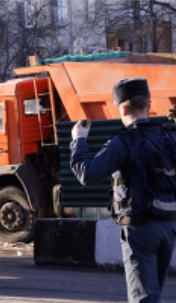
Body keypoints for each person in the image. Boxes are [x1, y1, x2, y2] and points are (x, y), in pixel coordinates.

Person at [70, 77, 176, 303]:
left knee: (143, 298)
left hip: (140, 230)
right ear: (148, 104)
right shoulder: (169, 136)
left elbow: (88, 174)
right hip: (169, 227)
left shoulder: (123, 141)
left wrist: (78, 141)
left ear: (123, 107)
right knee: (153, 295)